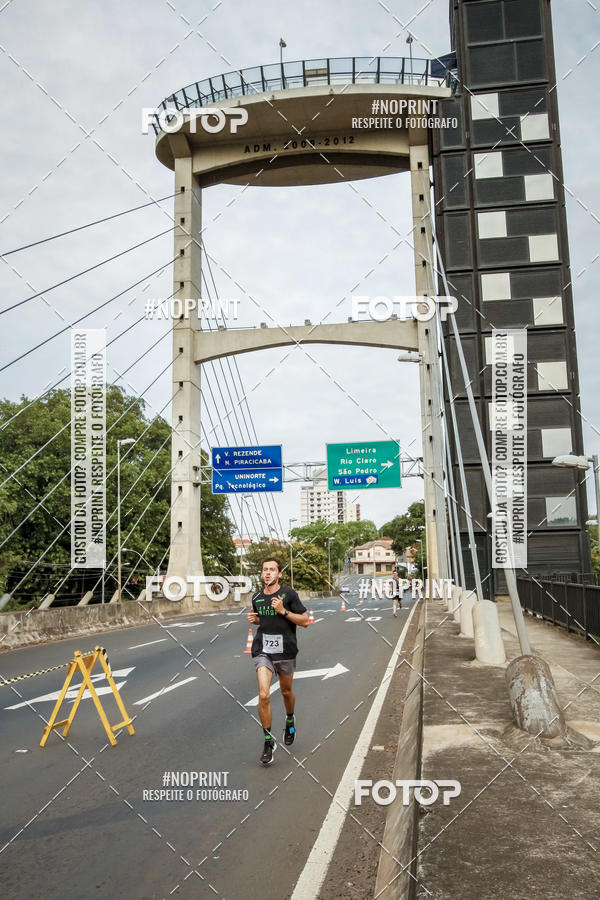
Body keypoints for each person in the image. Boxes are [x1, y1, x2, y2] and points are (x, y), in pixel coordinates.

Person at [247, 557, 309, 766]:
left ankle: (290, 718)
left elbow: (305, 621)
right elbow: (262, 619)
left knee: (285, 692)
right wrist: (255, 619)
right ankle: (267, 741)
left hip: (285, 651)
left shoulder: (289, 594)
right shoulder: (256, 596)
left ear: (279, 574)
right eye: (265, 569)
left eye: (272, 570)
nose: (267, 573)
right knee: (263, 695)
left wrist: (283, 610)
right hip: (263, 650)